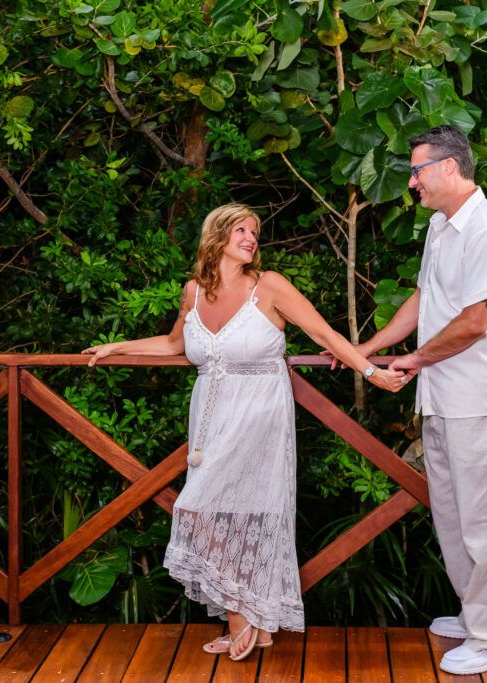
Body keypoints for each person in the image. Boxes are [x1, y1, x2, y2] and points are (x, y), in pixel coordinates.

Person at [82, 203, 405, 661]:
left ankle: (241, 620)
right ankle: (253, 621)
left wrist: (372, 373)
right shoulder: (193, 291)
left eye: (254, 231)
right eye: (241, 230)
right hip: (211, 419)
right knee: (209, 513)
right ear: (216, 235)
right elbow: (174, 344)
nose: (251, 238)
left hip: (260, 414)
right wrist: (118, 346)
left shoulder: (268, 286)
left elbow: (325, 335)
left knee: (229, 511)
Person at [342, 126, 487, 675]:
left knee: (486, 522)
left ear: (448, 167)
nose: (411, 181)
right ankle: (475, 617)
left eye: (417, 170)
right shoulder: (442, 227)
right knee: (452, 514)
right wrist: (368, 348)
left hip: (478, 396)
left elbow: (476, 321)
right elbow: (425, 300)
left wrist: (416, 359)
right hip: (440, 397)